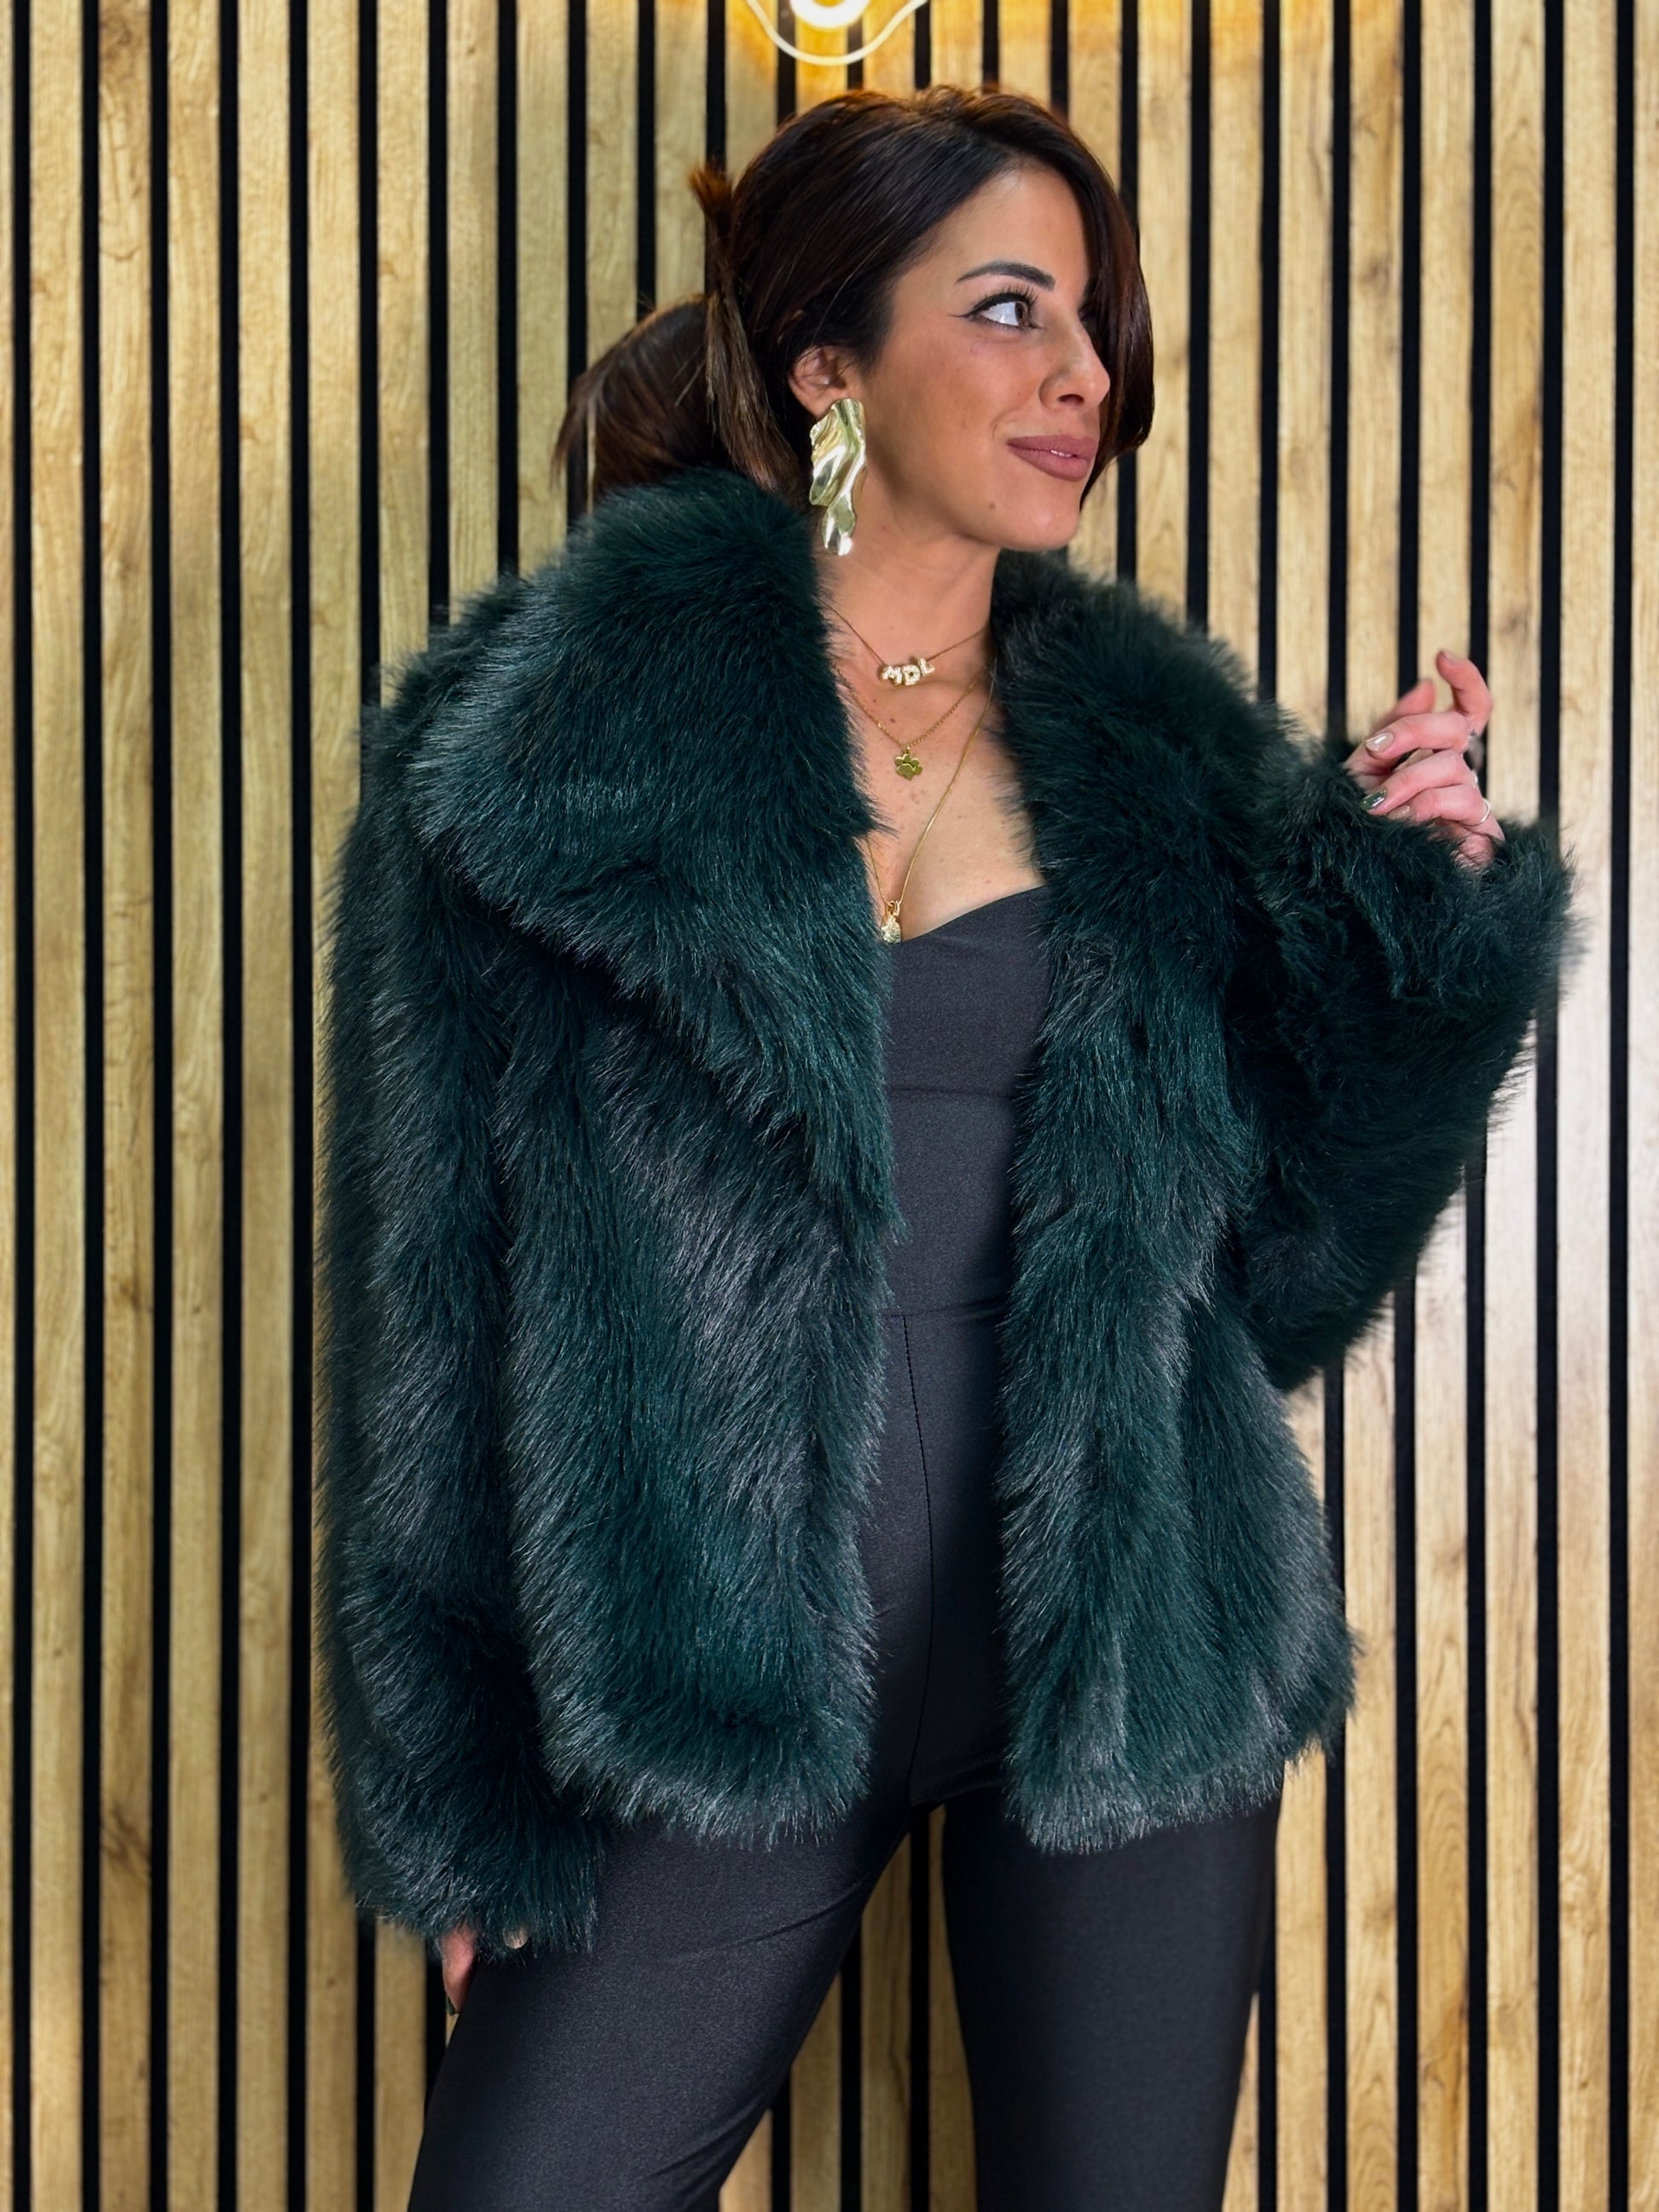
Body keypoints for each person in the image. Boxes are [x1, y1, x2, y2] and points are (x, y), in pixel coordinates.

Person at [315, 83, 1577, 2212]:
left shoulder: (1171, 771)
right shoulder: (530, 753)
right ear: (829, 362)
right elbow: (422, 1294)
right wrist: (458, 1801)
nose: (1084, 373)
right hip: (707, 1678)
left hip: (1123, 1656)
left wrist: (1409, 936)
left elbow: (1281, 1278)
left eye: (1092, 322)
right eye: (1009, 309)